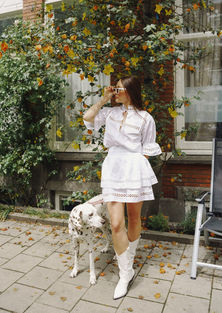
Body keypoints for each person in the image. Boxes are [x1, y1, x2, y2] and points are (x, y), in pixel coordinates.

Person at [83, 76, 161, 300]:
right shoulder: (110, 113)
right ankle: (125, 273)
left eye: (118, 88)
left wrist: (136, 169)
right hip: (113, 167)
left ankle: (128, 258)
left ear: (130, 90)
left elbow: (147, 148)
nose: (115, 91)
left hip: (134, 167)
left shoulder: (146, 118)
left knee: (134, 219)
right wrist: (104, 98)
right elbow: (87, 117)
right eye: (114, 88)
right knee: (116, 223)